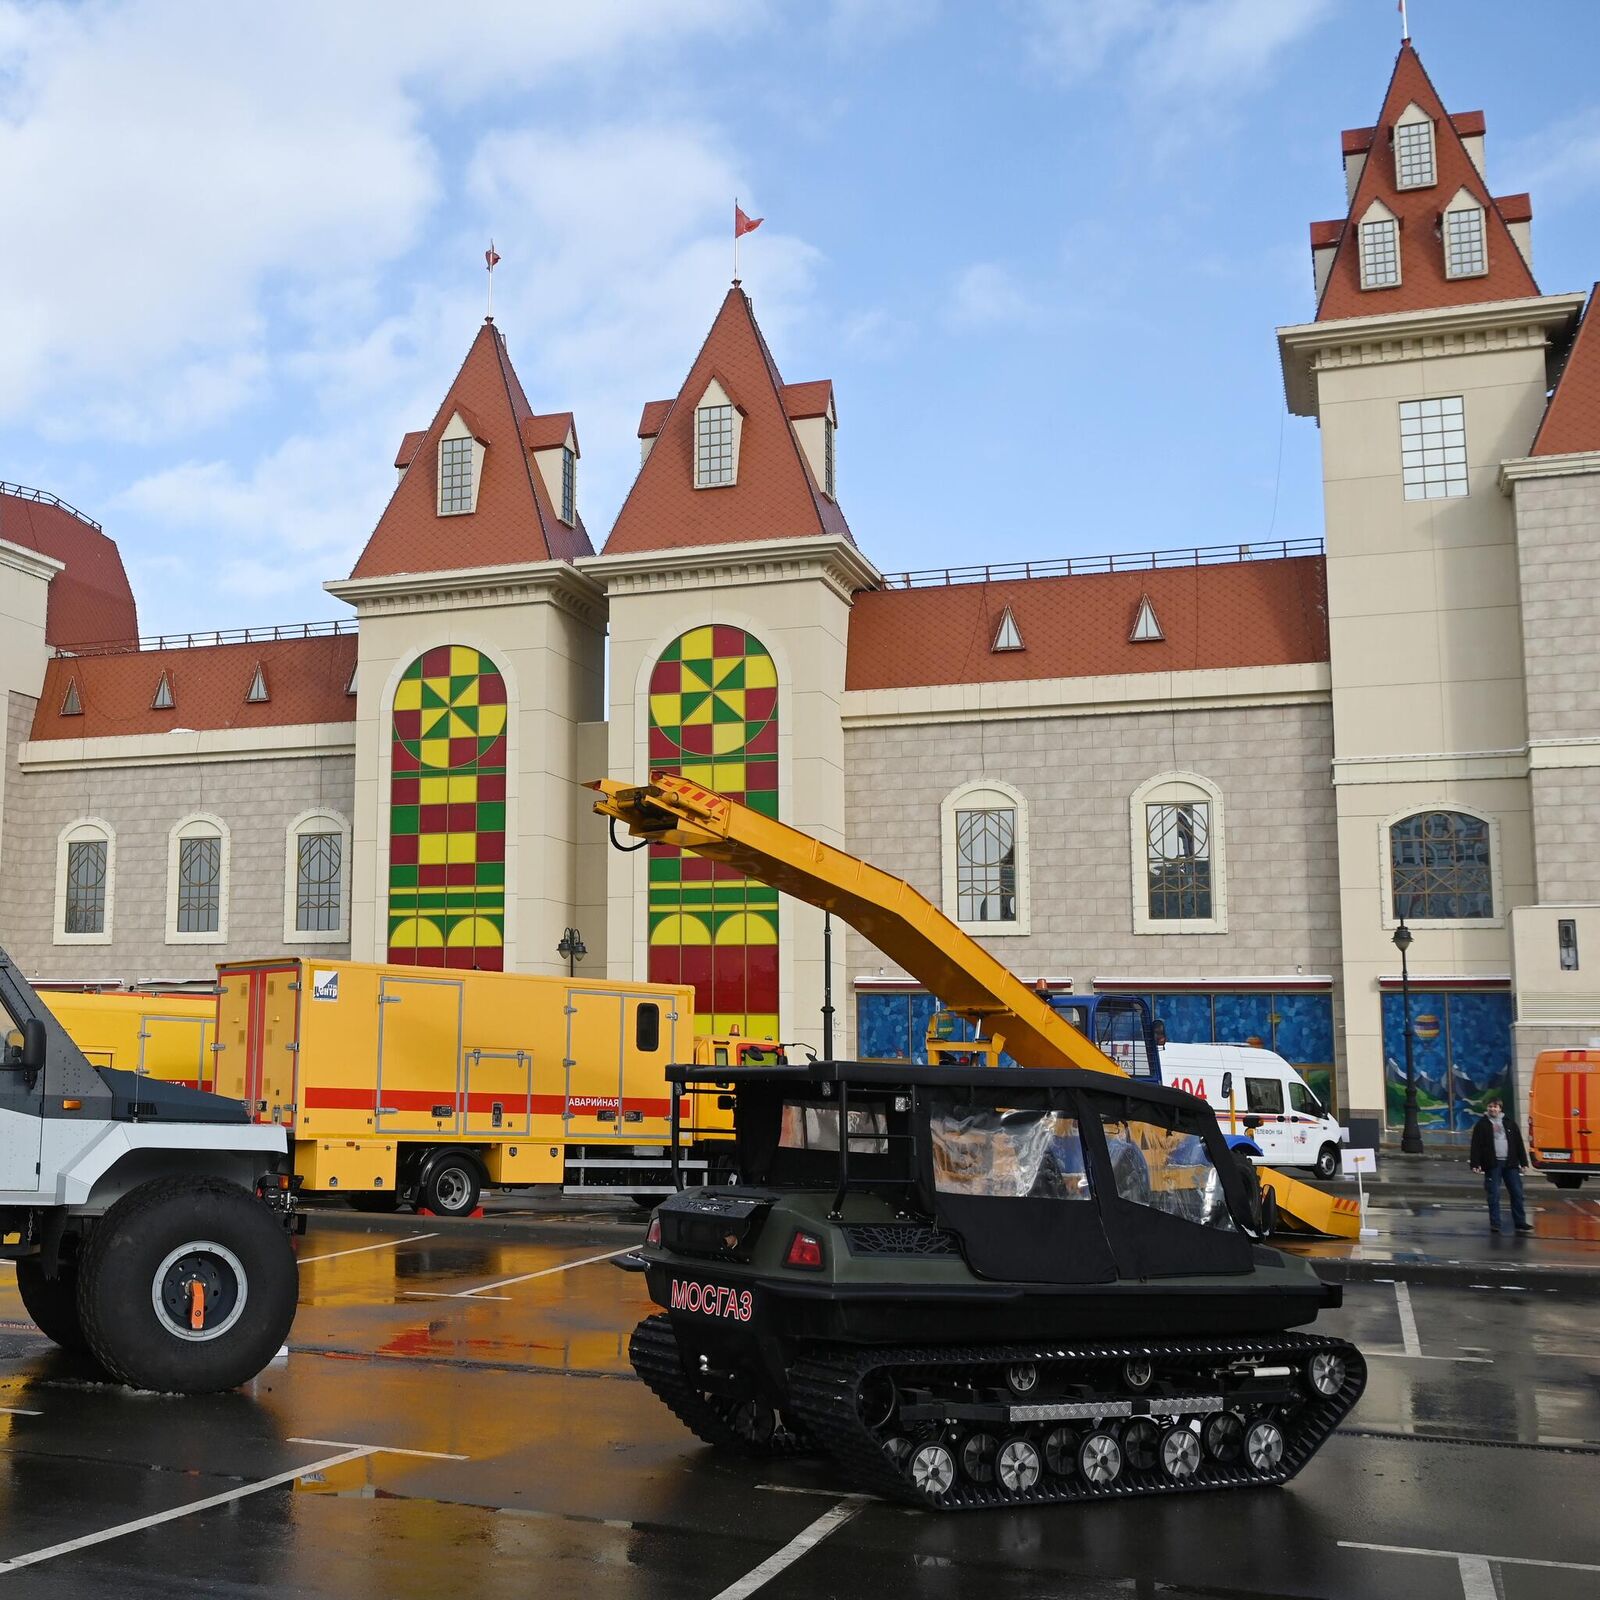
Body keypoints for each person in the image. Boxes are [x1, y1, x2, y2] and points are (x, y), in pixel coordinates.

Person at [1469, 1098, 1533, 1234]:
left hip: (1510, 1164)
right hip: (1492, 1164)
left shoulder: (1510, 1123)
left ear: (1500, 1108)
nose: (1493, 1109)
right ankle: (1495, 1223)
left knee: (1517, 1193)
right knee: (1494, 1194)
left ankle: (1520, 1222)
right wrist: (1475, 1163)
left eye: (1495, 1106)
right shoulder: (1482, 1125)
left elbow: (1518, 1144)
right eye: (1490, 1106)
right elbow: (1476, 1146)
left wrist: (1524, 1162)